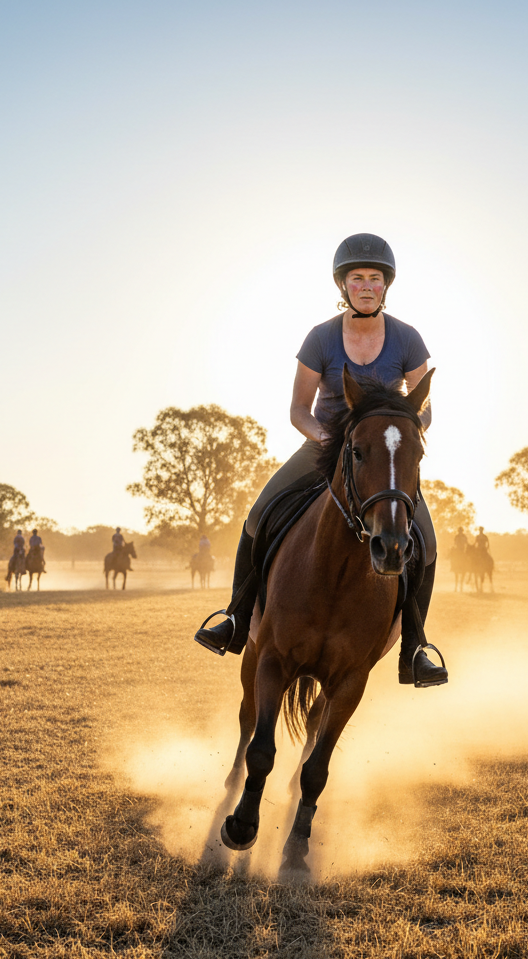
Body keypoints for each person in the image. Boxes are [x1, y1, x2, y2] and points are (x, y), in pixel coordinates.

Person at [195, 232, 448, 688]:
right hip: (325, 445)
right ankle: (234, 619)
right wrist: (331, 436)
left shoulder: (408, 338)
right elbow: (298, 409)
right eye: (357, 278)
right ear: (343, 286)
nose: (366, 286)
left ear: (386, 285)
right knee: (256, 517)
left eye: (375, 278)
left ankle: (414, 648)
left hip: (383, 455)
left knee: (425, 541)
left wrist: (403, 430)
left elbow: (424, 406)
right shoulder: (321, 339)